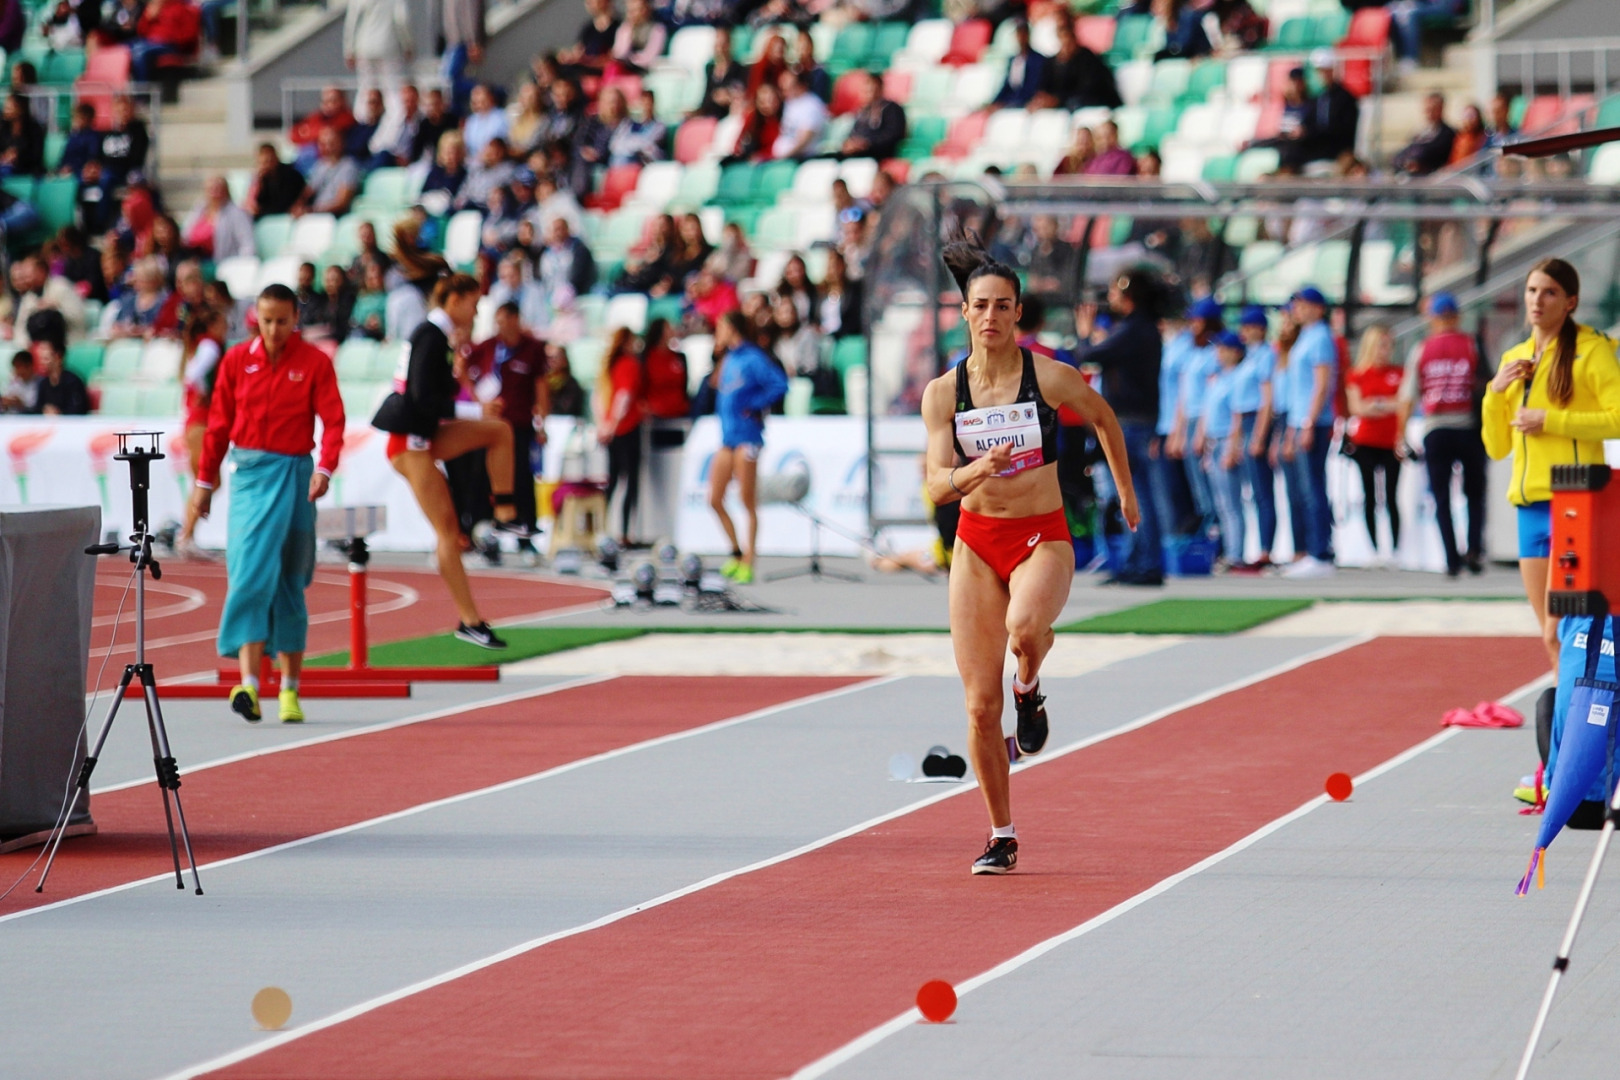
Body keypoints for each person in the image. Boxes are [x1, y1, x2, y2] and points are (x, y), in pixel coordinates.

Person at [922, 235, 1138, 876]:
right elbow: (934, 485)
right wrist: (975, 471)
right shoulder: (944, 392)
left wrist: (1126, 493)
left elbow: (1104, 417)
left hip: (1042, 533)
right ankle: (1001, 834)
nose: (991, 316)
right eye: (980, 305)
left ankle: (1031, 685)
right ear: (964, 312)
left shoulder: (1047, 375)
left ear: (1018, 314)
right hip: (975, 542)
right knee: (979, 707)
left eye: (1003, 306)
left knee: (1024, 627)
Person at [190, 284, 345, 724]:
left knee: (290, 583)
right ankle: (249, 685)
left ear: (296, 317)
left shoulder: (315, 363)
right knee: (248, 573)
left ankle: (291, 689)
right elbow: (217, 425)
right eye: (266, 320)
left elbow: (334, 420)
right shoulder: (238, 361)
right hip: (249, 479)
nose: (274, 329)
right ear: (255, 318)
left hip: (296, 477)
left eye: (282, 320)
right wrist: (205, 481)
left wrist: (325, 469)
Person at [371, 273, 533, 648]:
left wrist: (458, 366)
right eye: (474, 304)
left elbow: (434, 392)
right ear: (456, 301)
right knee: (448, 533)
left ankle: (506, 514)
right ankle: (469, 620)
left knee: (500, 431)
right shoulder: (428, 335)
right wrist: (473, 408)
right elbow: (421, 400)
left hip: (424, 436)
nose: (477, 312)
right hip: (409, 444)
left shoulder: (439, 337)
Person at [1482, 259, 1620, 669]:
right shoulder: (1515, 356)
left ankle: (1582, 721)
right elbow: (1495, 446)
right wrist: (1494, 391)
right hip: (1530, 509)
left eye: (1549, 292)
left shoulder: (1591, 352)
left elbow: (1617, 418)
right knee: (1549, 636)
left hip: (1574, 504)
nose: (1537, 301)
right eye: (1531, 291)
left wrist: (1549, 419)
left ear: (1570, 301)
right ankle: (1564, 729)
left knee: (1559, 629)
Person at [1072, 269, 1162, 585]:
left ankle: (1144, 563)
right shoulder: (1143, 328)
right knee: (1133, 491)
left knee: (1132, 492)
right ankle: (1136, 561)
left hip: (1129, 421)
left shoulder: (1135, 329)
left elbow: (1090, 355)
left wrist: (1084, 334)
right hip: (1137, 419)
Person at [1396, 291, 1484, 577]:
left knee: (1441, 496)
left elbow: (1407, 398)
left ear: (1433, 319)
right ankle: (1472, 549)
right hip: (1468, 427)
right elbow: (1488, 386)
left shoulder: (1421, 349)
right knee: (1474, 493)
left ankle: (1451, 558)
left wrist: (1400, 435)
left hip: (1435, 428)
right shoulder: (1471, 345)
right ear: (1456, 316)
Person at [708, 310, 788, 585]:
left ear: (732, 328)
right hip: (728, 438)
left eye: (720, 327)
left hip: (748, 437)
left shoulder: (753, 358)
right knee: (715, 498)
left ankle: (749, 560)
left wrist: (755, 405)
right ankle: (735, 550)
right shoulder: (729, 359)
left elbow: (779, 383)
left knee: (747, 500)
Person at [464, 301, 548, 539]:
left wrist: (542, 421)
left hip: (518, 423)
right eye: (497, 321)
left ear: (515, 319)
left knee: (522, 475)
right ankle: (480, 530)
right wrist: (477, 400)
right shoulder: (488, 346)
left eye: (503, 321)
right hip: (489, 424)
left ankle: (527, 531)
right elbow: (462, 368)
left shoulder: (532, 348)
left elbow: (541, 386)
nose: (499, 326)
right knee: (481, 475)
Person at [1280, 286, 1338, 577]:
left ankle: (1320, 552)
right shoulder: (1305, 337)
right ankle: (1308, 550)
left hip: (1313, 421)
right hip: (1299, 420)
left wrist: (1308, 423)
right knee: (1303, 489)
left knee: (1313, 487)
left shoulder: (1321, 338)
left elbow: (1321, 384)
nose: (1297, 310)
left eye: (1304, 305)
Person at [1344, 324, 1404, 563]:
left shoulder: (1399, 373)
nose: (1385, 351)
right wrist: (1386, 404)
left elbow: (1403, 403)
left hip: (1390, 442)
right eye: (1381, 345)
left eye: (1388, 346)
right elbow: (1357, 408)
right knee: (1369, 495)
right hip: (1366, 442)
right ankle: (1374, 549)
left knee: (1391, 496)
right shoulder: (1357, 375)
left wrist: (1375, 404)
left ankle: (1396, 549)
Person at [175, 304, 226, 557]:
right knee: (208, 480)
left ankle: (187, 534)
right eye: (222, 324)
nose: (225, 329)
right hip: (201, 421)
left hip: (195, 421)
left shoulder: (198, 345)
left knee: (206, 481)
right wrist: (204, 396)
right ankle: (186, 536)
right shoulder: (210, 346)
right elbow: (192, 375)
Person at [1198, 330, 1248, 569]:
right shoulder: (1218, 378)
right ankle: (1227, 550)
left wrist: (1232, 447)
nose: (1218, 353)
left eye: (1223, 349)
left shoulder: (1236, 378)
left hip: (1226, 441)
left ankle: (1235, 553)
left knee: (1231, 502)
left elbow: (1237, 417)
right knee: (1219, 502)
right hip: (1214, 443)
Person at [1234, 306, 1277, 566]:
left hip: (1256, 421)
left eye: (1248, 327)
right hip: (1246, 421)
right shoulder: (1248, 356)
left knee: (1263, 490)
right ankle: (1258, 545)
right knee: (1254, 490)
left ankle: (1266, 547)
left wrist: (1259, 436)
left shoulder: (1265, 356)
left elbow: (1267, 398)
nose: (1244, 332)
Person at [597, 327, 646, 546]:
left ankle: (602, 529)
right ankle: (625, 533)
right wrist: (614, 424)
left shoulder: (610, 366)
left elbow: (600, 397)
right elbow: (624, 397)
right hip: (626, 428)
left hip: (612, 428)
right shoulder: (629, 364)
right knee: (629, 481)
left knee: (613, 481)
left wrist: (604, 425)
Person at [1030, 16, 1120, 111]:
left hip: (1092, 105)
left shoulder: (1087, 58)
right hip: (1064, 106)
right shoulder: (1052, 61)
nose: (1066, 41)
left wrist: (1059, 100)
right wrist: (1043, 98)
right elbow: (1044, 86)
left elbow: (1090, 89)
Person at [342, 0, 412, 115]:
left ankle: (362, 121)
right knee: (392, 89)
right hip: (389, 47)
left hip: (364, 47)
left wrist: (348, 49)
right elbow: (402, 20)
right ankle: (395, 121)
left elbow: (352, 22)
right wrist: (407, 45)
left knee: (365, 89)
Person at [25, 312, 90, 415]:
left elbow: (79, 412)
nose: (42, 363)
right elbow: (37, 410)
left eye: (46, 358)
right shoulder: (43, 383)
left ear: (58, 356)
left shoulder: (73, 382)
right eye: (41, 359)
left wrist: (59, 413)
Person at [183, 175, 256, 261]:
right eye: (210, 189)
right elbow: (185, 235)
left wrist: (242, 263)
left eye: (218, 189)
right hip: (193, 258)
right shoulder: (199, 209)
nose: (214, 193)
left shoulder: (237, 214)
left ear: (226, 191)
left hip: (221, 261)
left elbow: (247, 244)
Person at [839, 70, 906, 161]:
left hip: (879, 153)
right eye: (866, 91)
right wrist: (851, 143)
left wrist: (868, 143)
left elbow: (893, 134)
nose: (869, 94)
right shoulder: (863, 111)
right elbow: (854, 132)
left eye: (872, 90)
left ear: (880, 89)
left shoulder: (892, 109)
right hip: (858, 152)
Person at [1394, 93, 1456, 177]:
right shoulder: (1421, 132)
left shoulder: (1447, 134)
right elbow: (1404, 152)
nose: (1429, 113)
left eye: (1433, 109)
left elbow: (1431, 154)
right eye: (1427, 109)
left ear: (1441, 109)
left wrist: (1418, 163)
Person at [991, 18, 1047, 110]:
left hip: (1023, 102)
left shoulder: (1037, 59)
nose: (1020, 37)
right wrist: (996, 102)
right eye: (1018, 34)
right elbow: (1007, 85)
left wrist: (1013, 101)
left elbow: (1033, 86)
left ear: (1028, 35)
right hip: (1011, 101)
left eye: (1023, 34)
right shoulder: (1013, 60)